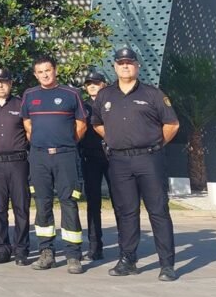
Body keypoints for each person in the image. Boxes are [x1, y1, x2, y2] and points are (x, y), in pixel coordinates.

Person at [92, 48, 180, 282]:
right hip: (119, 161)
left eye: (129, 63)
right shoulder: (105, 95)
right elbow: (97, 123)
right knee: (126, 212)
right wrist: (113, 139)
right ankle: (128, 260)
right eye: (121, 63)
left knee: (158, 211)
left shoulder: (152, 94)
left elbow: (172, 124)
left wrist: (155, 145)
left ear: (137, 66)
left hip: (149, 159)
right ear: (115, 67)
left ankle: (167, 264)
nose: (125, 66)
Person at [21, 55, 87, 274]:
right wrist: (41, 144)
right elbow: (27, 124)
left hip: (65, 155)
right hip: (38, 156)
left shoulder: (71, 94)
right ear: (35, 74)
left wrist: (64, 143)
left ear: (55, 70)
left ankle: (73, 256)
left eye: (48, 70)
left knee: (69, 202)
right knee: (42, 203)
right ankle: (46, 253)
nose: (44, 75)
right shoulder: (29, 95)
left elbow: (81, 125)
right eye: (40, 72)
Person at [0, 67, 30, 265]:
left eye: (4, 81)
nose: (0, 85)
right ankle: (2, 248)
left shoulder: (21, 104)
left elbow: (29, 131)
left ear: (10, 83)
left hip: (18, 162)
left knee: (21, 207)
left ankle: (21, 249)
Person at [79, 70, 111, 261]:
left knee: (120, 203)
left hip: (112, 157)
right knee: (93, 203)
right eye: (89, 83)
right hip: (90, 157)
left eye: (96, 83)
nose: (92, 86)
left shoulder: (111, 104)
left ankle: (126, 246)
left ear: (103, 85)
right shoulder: (83, 107)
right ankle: (95, 246)